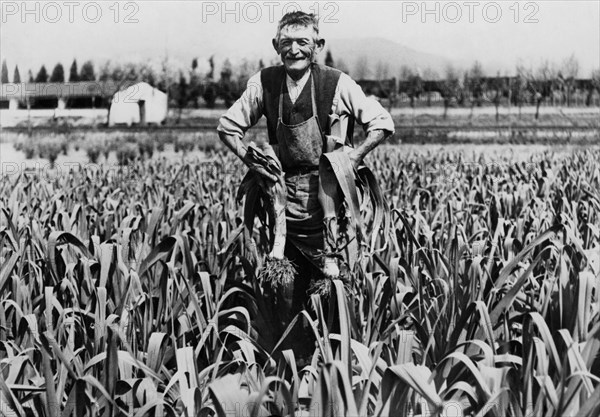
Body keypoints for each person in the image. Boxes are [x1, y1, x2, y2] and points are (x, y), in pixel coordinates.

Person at [217, 11, 395, 340]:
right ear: (276, 45)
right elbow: (227, 127)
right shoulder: (264, 83)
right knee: (285, 294)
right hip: (282, 204)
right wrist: (254, 163)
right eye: (286, 43)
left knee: (334, 292)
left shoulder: (336, 83)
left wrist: (351, 159)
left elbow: (382, 123)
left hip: (328, 207)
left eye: (303, 42)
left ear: (318, 45)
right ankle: (289, 370)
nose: (294, 49)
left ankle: (336, 368)